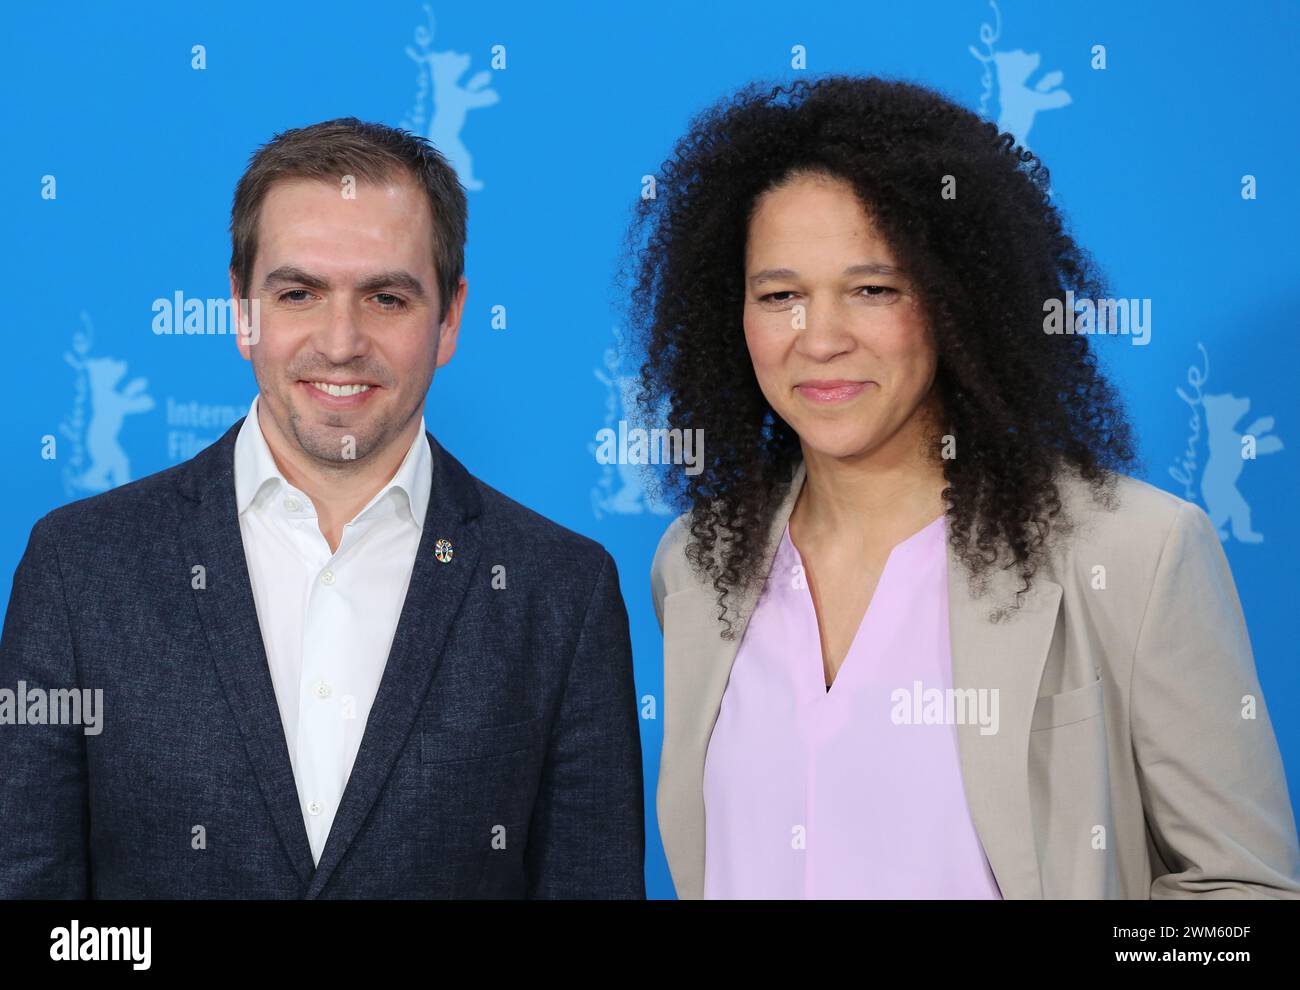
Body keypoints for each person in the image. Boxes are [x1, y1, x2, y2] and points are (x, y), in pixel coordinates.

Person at [630, 76, 1300, 899]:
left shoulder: (1135, 555)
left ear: (956, 301)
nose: (822, 338)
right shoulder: (694, 569)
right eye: (781, 296)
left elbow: (1245, 896)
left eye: (873, 289)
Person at [0, 118, 644, 898]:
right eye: (299, 293)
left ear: (450, 319)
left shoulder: (561, 592)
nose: (341, 342)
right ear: (241, 309)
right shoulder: (79, 569)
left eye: (386, 297)